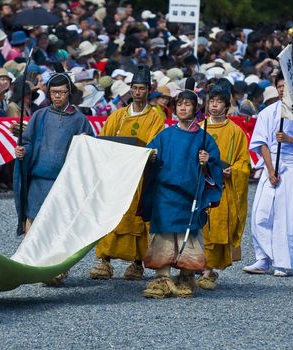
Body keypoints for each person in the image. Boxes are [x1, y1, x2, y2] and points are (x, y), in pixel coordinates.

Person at [140, 80, 223, 298]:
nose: (183, 108)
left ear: (196, 109)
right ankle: (162, 278)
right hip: (165, 196)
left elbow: (214, 168)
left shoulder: (204, 138)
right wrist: (152, 156)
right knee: (163, 236)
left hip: (190, 196)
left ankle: (187, 277)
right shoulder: (165, 135)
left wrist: (207, 161)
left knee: (191, 237)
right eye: (179, 105)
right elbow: (147, 154)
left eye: (188, 105)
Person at [14, 72, 94, 284]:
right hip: (38, 180)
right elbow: (28, 142)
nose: (57, 96)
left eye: (61, 92)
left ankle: (56, 269)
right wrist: (23, 152)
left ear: (69, 93)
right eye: (53, 92)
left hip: (63, 183)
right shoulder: (39, 116)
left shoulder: (79, 120)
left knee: (59, 225)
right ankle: (31, 263)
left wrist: (85, 143)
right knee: (33, 220)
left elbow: (89, 149)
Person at [89, 64, 165, 281]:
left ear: (148, 90)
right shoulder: (118, 115)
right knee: (111, 215)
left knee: (137, 218)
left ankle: (137, 263)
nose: (138, 92)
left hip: (140, 176)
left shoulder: (155, 117)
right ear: (130, 90)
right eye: (135, 88)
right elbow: (105, 139)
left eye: (142, 88)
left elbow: (154, 144)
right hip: (117, 175)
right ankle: (104, 260)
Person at [244, 70, 293, 277]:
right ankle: (263, 257)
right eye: (279, 86)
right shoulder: (268, 112)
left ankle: (282, 262)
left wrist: (290, 139)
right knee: (261, 214)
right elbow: (261, 142)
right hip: (272, 166)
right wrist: (270, 169)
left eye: (286, 86)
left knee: (286, 216)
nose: (282, 90)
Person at [199, 81, 250, 290]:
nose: (214, 106)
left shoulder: (235, 131)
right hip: (199, 183)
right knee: (198, 227)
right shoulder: (199, 127)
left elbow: (243, 161)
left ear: (227, 106)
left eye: (219, 102)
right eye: (212, 101)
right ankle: (196, 265)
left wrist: (234, 171)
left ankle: (208, 270)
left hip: (222, 187)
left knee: (216, 226)